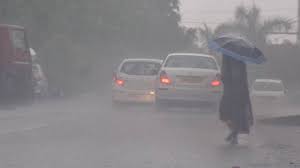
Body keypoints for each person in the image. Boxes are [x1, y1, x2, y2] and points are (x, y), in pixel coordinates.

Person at [219, 56, 253, 145]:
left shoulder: (227, 56)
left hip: (231, 90)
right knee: (236, 112)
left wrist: (222, 77)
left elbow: (226, 75)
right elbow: (243, 75)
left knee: (227, 112)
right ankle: (234, 133)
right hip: (241, 89)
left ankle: (234, 132)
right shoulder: (242, 57)